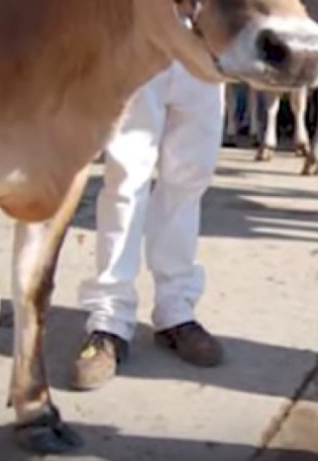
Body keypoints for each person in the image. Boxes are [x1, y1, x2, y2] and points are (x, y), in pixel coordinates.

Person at [70, 59, 226, 391]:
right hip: (142, 36)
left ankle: (176, 308)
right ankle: (110, 319)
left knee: (190, 178)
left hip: (205, 46)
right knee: (125, 180)